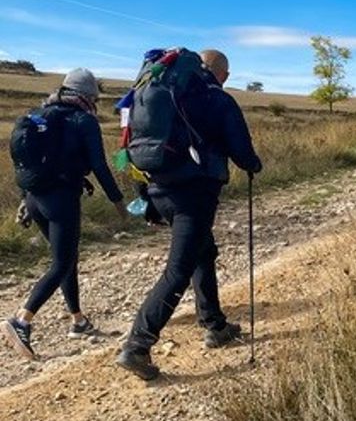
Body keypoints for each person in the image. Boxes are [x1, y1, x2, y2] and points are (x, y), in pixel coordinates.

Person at [116, 49, 262, 380]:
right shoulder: (215, 98)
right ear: (220, 73)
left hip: (158, 189)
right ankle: (137, 346)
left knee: (203, 251)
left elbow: (132, 145)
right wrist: (253, 164)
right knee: (178, 270)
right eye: (226, 75)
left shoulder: (154, 92)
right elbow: (241, 150)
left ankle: (215, 325)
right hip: (193, 194)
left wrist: (147, 199)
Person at [3, 68, 127, 360]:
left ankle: (78, 320)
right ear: (88, 96)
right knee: (61, 262)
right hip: (60, 201)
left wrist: (25, 200)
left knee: (66, 258)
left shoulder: (41, 114)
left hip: (35, 198)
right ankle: (21, 320)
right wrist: (117, 201)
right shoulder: (83, 120)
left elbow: (27, 163)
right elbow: (99, 165)